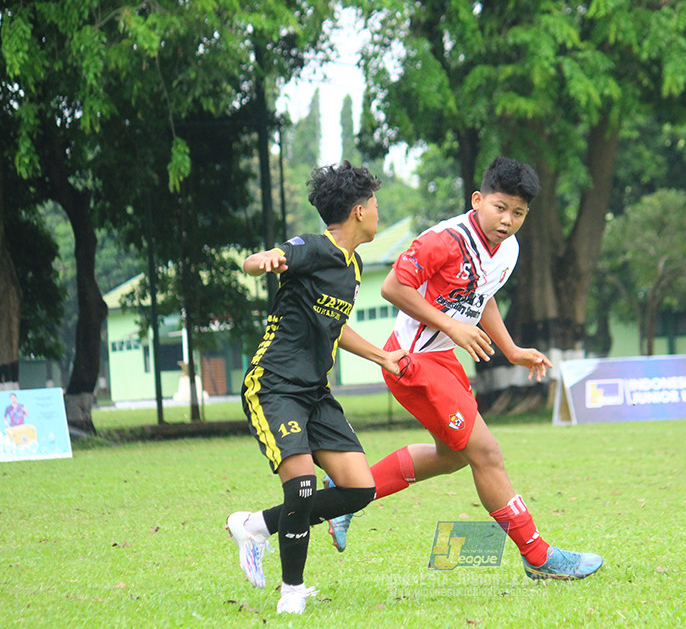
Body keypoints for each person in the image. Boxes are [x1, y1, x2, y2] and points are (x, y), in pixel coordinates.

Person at [328, 156, 602, 580]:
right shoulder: (444, 240)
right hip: (411, 360)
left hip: (440, 359)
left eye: (519, 213)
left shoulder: (508, 249)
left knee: (453, 456)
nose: (507, 220)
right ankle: (538, 556)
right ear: (477, 200)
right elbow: (392, 287)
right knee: (486, 453)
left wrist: (511, 349)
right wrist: (451, 326)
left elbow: (482, 293)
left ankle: (347, 494)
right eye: (500, 207)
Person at [225, 161, 407, 615]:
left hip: (315, 393)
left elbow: (335, 326)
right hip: (274, 385)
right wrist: (262, 262)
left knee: (359, 489)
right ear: (360, 211)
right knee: (303, 485)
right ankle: (292, 592)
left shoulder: (353, 266)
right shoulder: (312, 247)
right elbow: (259, 260)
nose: (378, 212)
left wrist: (382, 356)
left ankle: (255, 527)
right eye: (376, 204)